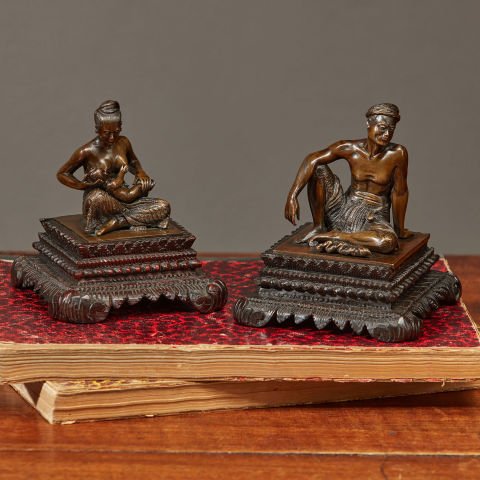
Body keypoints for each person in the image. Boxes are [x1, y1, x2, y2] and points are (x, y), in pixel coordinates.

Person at [284, 103, 413, 256]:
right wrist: (292, 195)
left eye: (391, 129)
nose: (387, 134)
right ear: (368, 124)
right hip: (344, 207)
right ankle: (319, 227)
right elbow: (312, 159)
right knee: (318, 168)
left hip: (374, 216)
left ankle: (339, 236)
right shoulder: (351, 148)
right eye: (382, 128)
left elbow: (400, 192)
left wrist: (399, 230)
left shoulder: (397, 154)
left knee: (387, 242)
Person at [57, 100, 170, 236]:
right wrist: (84, 185)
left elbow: (133, 161)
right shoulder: (86, 151)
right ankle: (130, 219)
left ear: (121, 126)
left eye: (116, 132)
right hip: (103, 200)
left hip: (124, 197)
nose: (112, 138)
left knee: (163, 206)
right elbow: (62, 174)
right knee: (96, 198)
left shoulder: (123, 142)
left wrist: (140, 173)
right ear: (97, 129)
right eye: (106, 133)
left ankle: (119, 222)